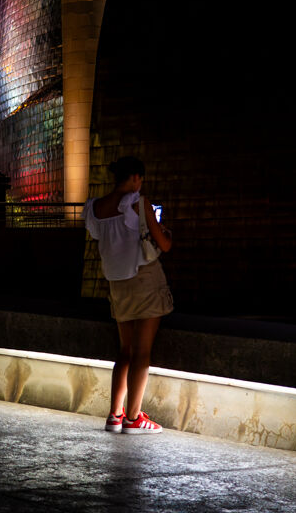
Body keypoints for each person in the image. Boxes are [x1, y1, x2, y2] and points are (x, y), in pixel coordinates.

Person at [84, 156, 174, 434]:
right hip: (144, 280)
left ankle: (115, 414)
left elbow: (104, 237)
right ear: (135, 177)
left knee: (124, 351)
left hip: (117, 284)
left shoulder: (94, 207)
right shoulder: (139, 203)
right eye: (140, 179)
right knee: (142, 352)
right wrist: (165, 232)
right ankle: (134, 418)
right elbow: (165, 245)